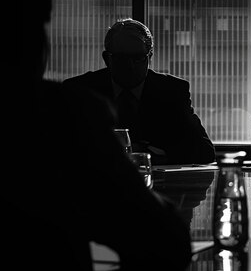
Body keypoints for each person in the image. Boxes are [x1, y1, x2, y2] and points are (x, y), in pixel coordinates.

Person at [0, 0, 192, 271]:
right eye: (40, 23)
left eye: (139, 58)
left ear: (149, 58)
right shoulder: (65, 111)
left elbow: (201, 150)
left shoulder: (166, 91)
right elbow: (166, 241)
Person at [64, 18, 215, 165]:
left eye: (137, 58)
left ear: (150, 57)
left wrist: (148, 154)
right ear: (106, 59)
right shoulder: (81, 91)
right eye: (122, 58)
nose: (130, 66)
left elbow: (204, 151)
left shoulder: (171, 91)